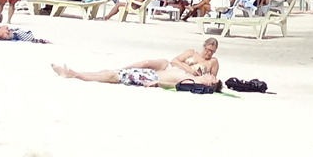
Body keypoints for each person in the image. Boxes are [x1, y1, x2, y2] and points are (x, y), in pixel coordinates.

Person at [51, 60, 222, 91]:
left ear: (209, 85)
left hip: (151, 78)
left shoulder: (194, 82)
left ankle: (74, 74)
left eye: (213, 79)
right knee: (111, 73)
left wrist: (156, 84)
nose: (212, 76)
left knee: (112, 76)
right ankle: (73, 73)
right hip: (152, 73)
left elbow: (176, 86)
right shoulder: (196, 75)